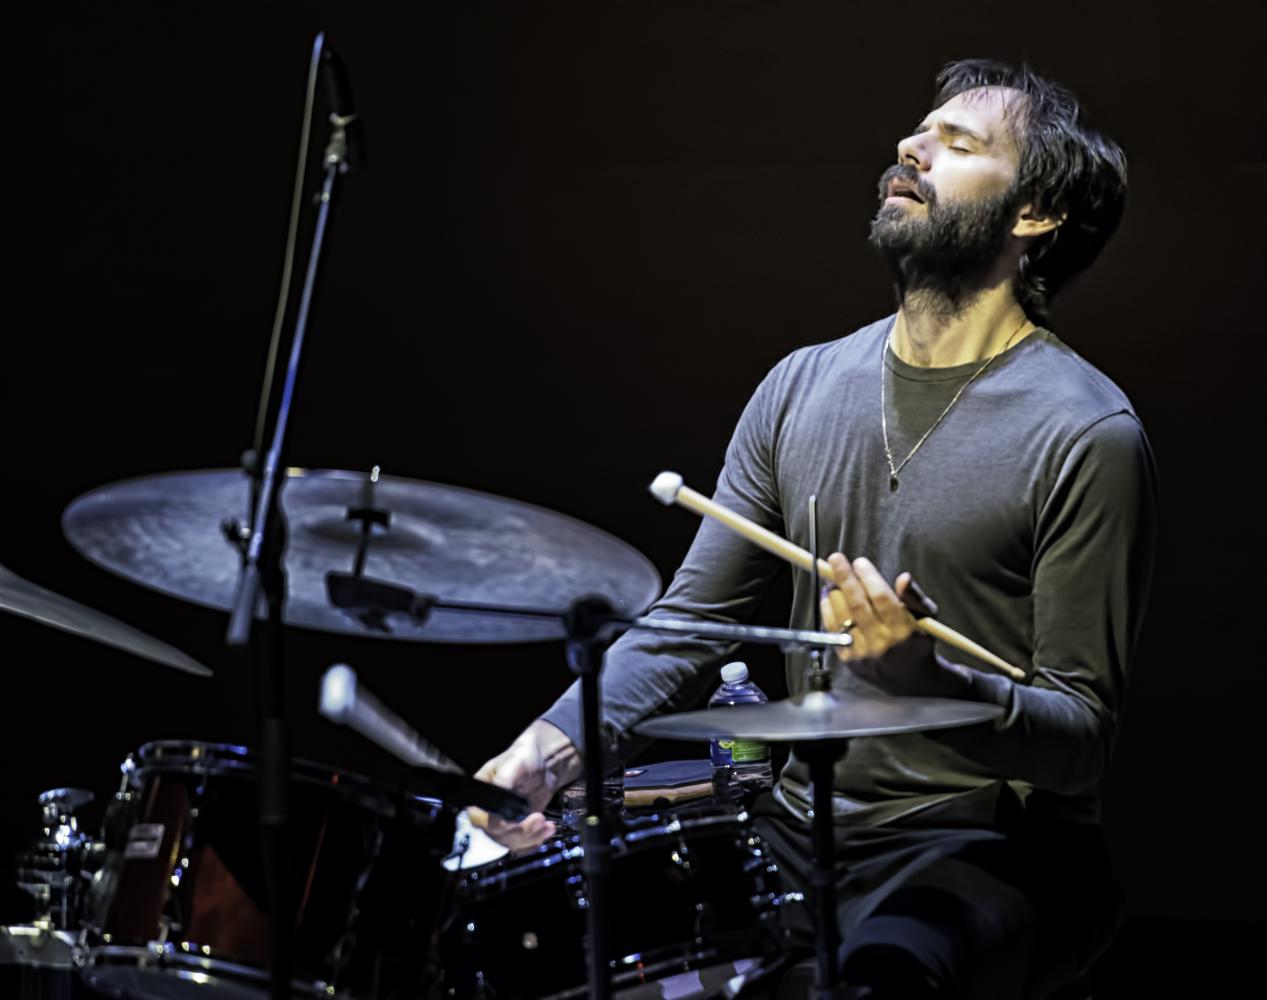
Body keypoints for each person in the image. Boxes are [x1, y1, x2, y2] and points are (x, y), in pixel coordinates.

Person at [469, 58, 1156, 999]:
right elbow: (691, 622)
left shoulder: (1087, 431)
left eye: (956, 144)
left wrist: (929, 682)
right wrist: (543, 753)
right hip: (800, 826)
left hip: (983, 844)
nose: (910, 148)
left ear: (1033, 214)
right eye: (917, 132)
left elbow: (1079, 739)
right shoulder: (799, 386)